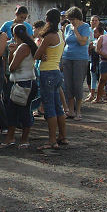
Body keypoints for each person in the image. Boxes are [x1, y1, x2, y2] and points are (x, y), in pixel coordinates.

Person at [34, 8, 68, 151]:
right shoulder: (60, 33)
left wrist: (41, 54)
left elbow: (37, 54)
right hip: (56, 71)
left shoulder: (49, 36)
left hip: (47, 72)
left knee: (49, 108)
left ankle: (52, 140)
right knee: (57, 106)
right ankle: (62, 136)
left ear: (47, 20)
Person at [1, 24, 38, 149]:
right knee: (19, 110)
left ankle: (20, 139)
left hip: (23, 82)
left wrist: (12, 53)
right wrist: (12, 52)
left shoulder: (23, 47)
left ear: (14, 34)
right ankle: (18, 138)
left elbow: (12, 67)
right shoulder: (28, 46)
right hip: (26, 81)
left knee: (19, 111)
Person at [61, 7, 91, 121]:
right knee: (68, 84)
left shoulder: (85, 27)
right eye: (70, 19)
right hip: (67, 57)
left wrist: (76, 30)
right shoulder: (67, 27)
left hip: (80, 58)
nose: (72, 22)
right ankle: (70, 110)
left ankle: (78, 110)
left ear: (78, 18)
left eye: (73, 19)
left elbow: (82, 42)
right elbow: (65, 42)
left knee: (78, 85)